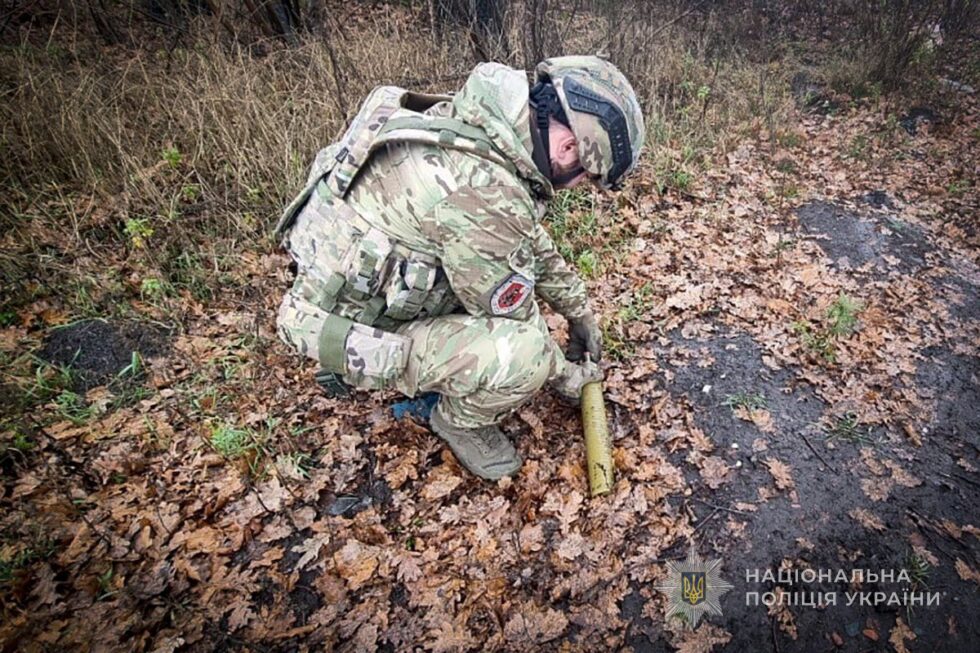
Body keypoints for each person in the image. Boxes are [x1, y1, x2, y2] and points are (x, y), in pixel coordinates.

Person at [275, 55, 644, 480]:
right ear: (567, 149)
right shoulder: (484, 192)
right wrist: (569, 378)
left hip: (350, 280)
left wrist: (578, 309)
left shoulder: (487, 121)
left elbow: (528, 240)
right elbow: (514, 316)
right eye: (585, 177)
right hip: (350, 328)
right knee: (521, 355)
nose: (579, 187)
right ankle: (457, 421)